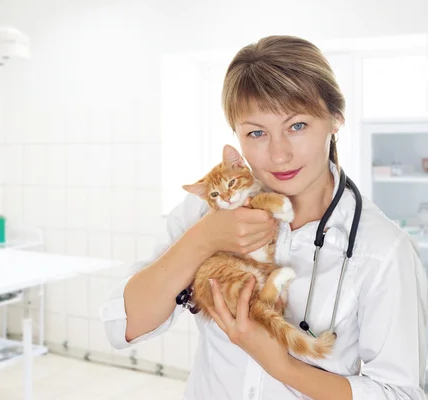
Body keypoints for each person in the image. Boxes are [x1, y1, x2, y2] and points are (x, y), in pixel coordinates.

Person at [99, 35, 428, 399]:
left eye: (297, 126)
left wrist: (282, 367)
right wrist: (204, 239)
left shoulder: (382, 250)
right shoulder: (205, 212)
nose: (279, 154)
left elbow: (401, 394)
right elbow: (122, 326)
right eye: (256, 133)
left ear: (335, 119)